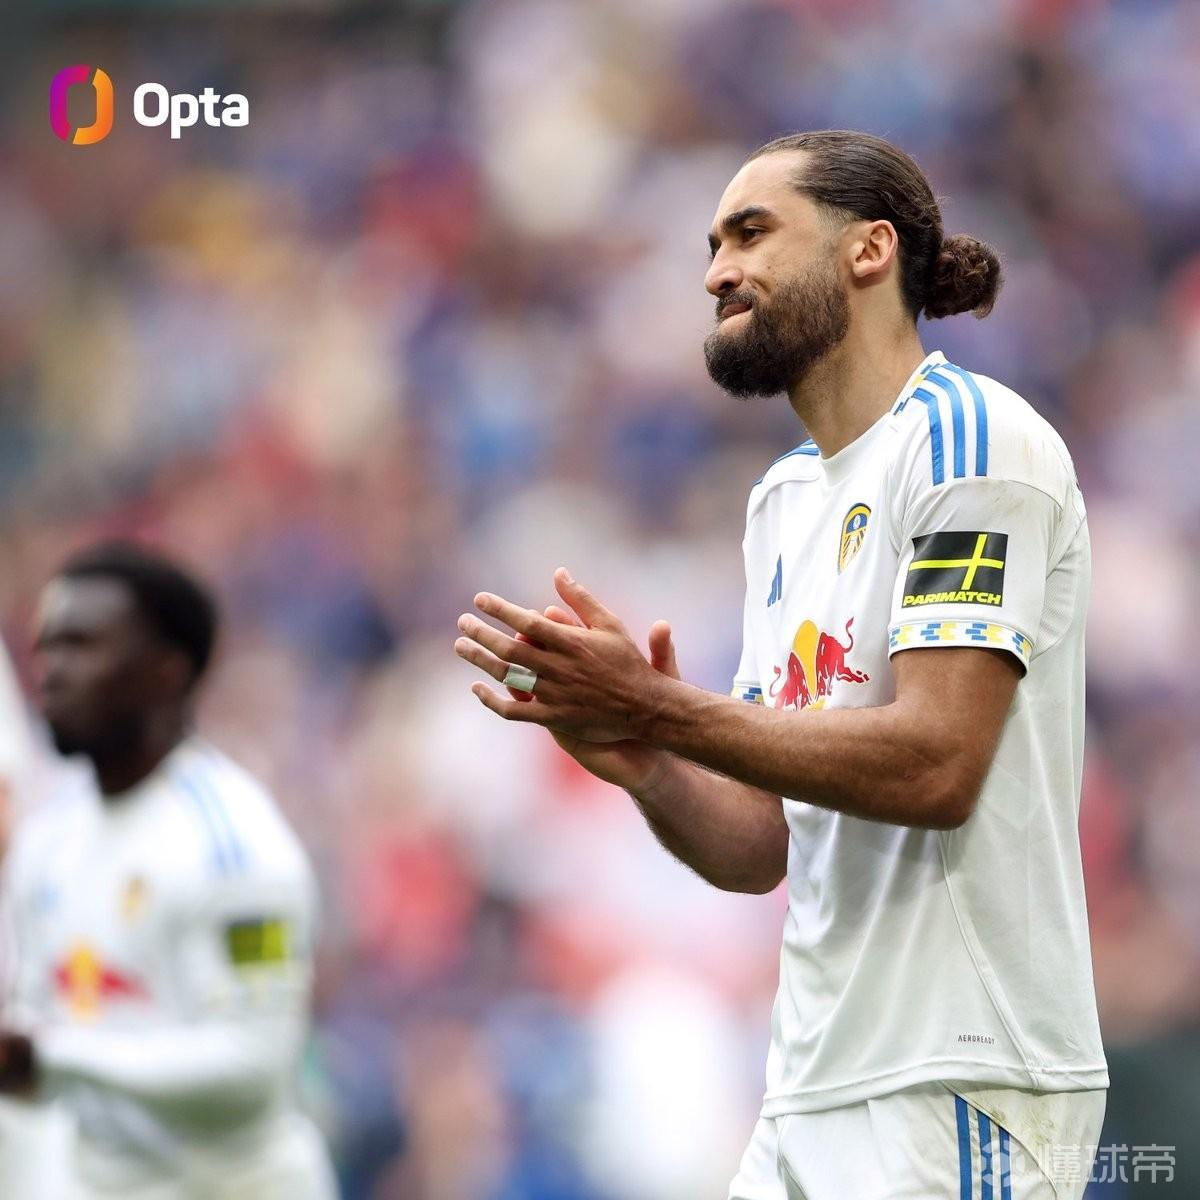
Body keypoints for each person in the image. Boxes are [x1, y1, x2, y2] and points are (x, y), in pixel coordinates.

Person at [454, 129, 1107, 1199]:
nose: (717, 271)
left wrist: (663, 709)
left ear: (868, 249)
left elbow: (938, 766)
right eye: (713, 245)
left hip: (960, 1080)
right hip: (809, 1084)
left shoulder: (971, 440)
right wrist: (643, 758)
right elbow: (762, 846)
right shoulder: (784, 499)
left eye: (752, 232)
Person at [0, 541, 336, 1200]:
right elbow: (37, 1051)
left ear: (167, 671)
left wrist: (53, 1056)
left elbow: (252, 1071)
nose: (50, 671)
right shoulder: (47, 843)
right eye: (45, 648)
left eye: (81, 645)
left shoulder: (234, 849)